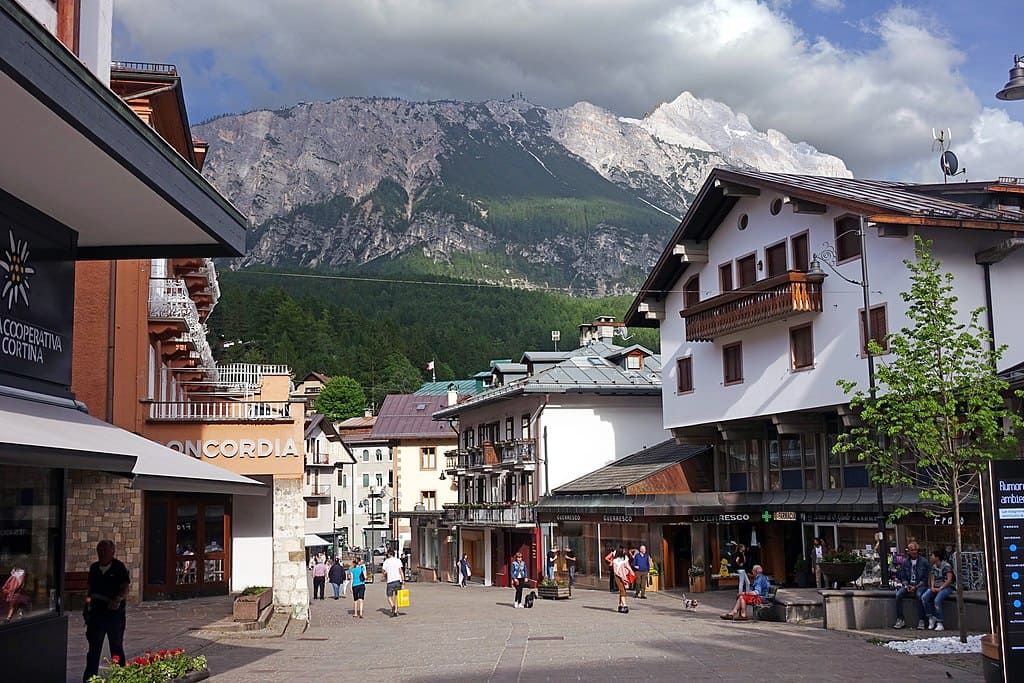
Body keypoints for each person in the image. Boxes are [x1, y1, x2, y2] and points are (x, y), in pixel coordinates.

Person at [83, 540, 130, 683]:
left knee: (116, 646)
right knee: (93, 649)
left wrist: (118, 599)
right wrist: (87, 607)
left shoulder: (118, 567)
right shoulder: (94, 568)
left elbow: (125, 587)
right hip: (97, 614)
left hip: (113, 615)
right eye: (99, 551)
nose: (102, 554)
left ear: (112, 552)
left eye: (105, 551)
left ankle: (120, 678)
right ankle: (90, 679)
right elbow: (90, 591)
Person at [893, 542, 928, 630]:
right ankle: (900, 619)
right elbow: (903, 576)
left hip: (920, 585)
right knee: (898, 595)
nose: (914, 552)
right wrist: (906, 585)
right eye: (912, 550)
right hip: (908, 584)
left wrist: (915, 587)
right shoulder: (905, 562)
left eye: (915, 550)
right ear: (908, 551)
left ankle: (921, 620)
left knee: (919, 595)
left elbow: (925, 578)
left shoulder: (924, 561)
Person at [921, 548, 955, 631]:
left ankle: (940, 622)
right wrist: (932, 587)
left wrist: (941, 588)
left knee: (937, 600)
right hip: (936, 586)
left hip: (946, 587)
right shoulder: (933, 566)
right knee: (924, 597)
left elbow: (949, 580)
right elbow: (932, 577)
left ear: (937, 557)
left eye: (932, 555)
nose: (931, 557)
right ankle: (930, 617)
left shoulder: (946, 566)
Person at [382, 550, 405, 617]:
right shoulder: (398, 560)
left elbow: (383, 571)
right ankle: (395, 611)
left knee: (389, 596)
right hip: (398, 580)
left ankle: (393, 606)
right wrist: (403, 580)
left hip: (390, 581)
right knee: (397, 596)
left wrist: (385, 576)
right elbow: (400, 571)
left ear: (389, 554)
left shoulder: (386, 561)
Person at [612, 548, 632, 613]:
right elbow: (615, 570)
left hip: (624, 575)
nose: (624, 551)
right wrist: (620, 576)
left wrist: (631, 571)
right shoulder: (615, 560)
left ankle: (620, 605)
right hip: (618, 576)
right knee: (622, 590)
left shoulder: (625, 557)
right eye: (623, 551)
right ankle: (625, 605)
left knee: (623, 590)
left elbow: (627, 565)